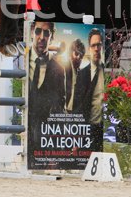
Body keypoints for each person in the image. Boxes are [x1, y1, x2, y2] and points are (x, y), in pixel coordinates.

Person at [27, 21, 66, 159]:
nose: (42, 37)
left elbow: (60, 104)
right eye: (38, 31)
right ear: (32, 32)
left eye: (46, 33)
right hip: (23, 129)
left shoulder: (59, 69)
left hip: (45, 136)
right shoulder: (22, 60)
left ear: (52, 37)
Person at [74, 28, 105, 151]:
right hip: (88, 129)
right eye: (93, 45)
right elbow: (78, 106)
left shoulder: (108, 72)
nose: (96, 48)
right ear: (89, 48)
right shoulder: (82, 74)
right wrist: (77, 136)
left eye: (99, 45)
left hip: (104, 129)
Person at [65, 39, 85, 114]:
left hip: (74, 111)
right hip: (64, 111)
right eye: (76, 54)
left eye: (81, 56)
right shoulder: (65, 67)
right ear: (71, 53)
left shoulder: (79, 71)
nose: (78, 57)